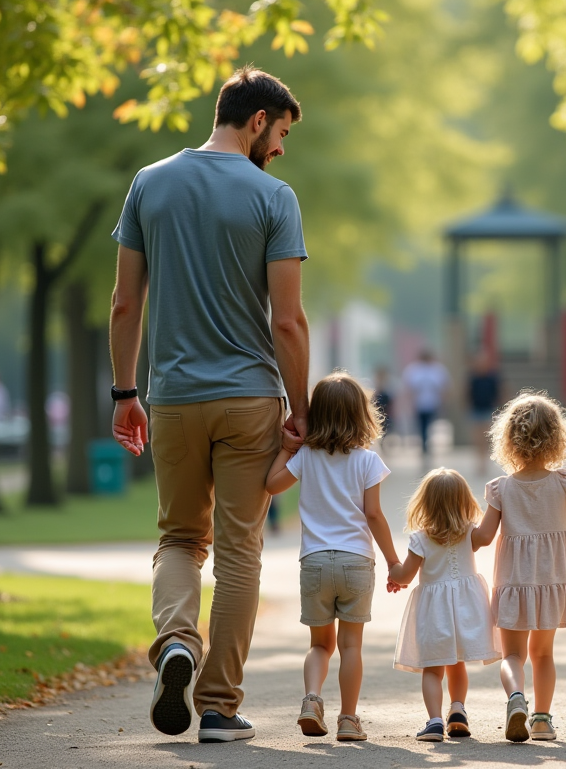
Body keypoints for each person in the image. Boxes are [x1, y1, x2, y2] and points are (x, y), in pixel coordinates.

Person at [109, 66, 310, 743]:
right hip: (250, 397)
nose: (280, 148)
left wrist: (124, 392)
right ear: (258, 121)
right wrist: (301, 408)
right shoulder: (273, 196)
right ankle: (219, 707)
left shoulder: (149, 182)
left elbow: (124, 302)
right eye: (279, 133)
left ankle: (176, 644)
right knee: (239, 552)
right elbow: (288, 322)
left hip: (169, 397)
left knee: (177, 538)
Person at [264, 371, 403, 742]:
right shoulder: (367, 460)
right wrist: (393, 562)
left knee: (319, 645)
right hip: (357, 562)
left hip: (314, 563)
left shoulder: (306, 456)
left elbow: (272, 485)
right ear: (362, 414)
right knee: (351, 645)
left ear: (317, 414)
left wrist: (287, 447)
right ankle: (349, 719)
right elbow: (373, 514)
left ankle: (311, 700)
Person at [472, 392, 566, 743]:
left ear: (508, 440)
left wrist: (458, 534)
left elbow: (483, 538)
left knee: (513, 655)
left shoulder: (500, 489)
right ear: (557, 438)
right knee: (543, 654)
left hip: (513, 582)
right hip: (550, 580)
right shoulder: (565, 482)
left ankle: (516, 698)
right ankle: (541, 719)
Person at [388, 468, 502, 742]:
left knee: (433, 668)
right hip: (466, 609)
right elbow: (487, 537)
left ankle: (435, 721)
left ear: (425, 502)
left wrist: (394, 573)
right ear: (464, 500)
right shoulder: (469, 533)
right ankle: (458, 710)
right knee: (457, 663)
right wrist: (496, 500)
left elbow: (406, 575)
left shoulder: (420, 538)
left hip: (435, 613)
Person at [402, 350, 449, 457]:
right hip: (419, 404)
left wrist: (442, 402)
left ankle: (427, 443)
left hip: (432, 403)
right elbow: (409, 388)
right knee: (422, 425)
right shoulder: (414, 370)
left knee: (429, 425)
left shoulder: (437, 369)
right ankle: (424, 445)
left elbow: (444, 387)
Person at [467, 351, 501, 474]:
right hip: (476, 410)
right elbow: (467, 392)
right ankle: (479, 461)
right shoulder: (472, 377)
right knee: (477, 438)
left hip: (488, 410)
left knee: (487, 438)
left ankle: (485, 462)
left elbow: (500, 391)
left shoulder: (493, 377)